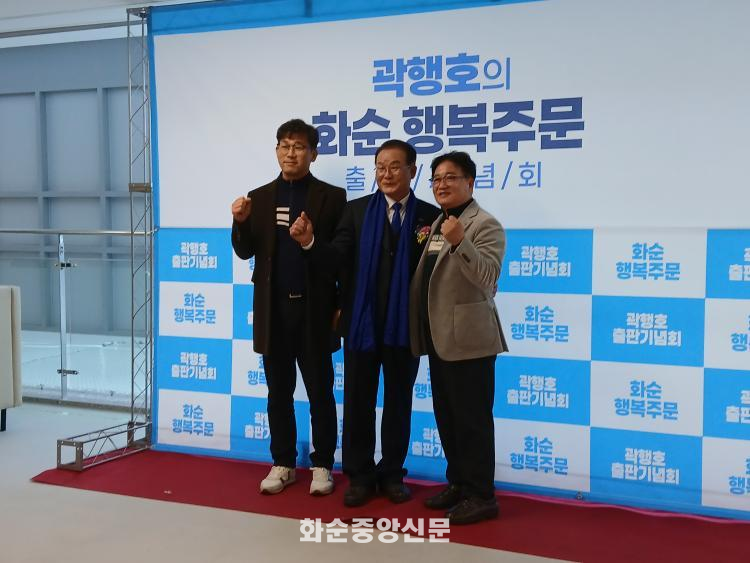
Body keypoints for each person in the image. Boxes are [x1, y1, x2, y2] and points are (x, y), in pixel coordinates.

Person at [289, 139, 440, 507]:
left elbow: (437, 272)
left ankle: (392, 474)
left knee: (399, 402)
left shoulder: (430, 216)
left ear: (412, 171)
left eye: (395, 166)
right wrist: (310, 243)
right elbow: (336, 258)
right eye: (380, 167)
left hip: (405, 327)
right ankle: (359, 475)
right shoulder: (356, 211)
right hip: (362, 323)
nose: (386, 174)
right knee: (358, 403)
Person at [230, 119, 346, 496]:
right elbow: (246, 250)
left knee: (320, 393)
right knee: (278, 393)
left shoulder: (332, 197)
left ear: (313, 153)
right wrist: (240, 223)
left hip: (315, 311)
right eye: (284, 145)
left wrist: (310, 241)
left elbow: (339, 258)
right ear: (277, 150)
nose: (290, 153)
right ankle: (283, 463)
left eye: (298, 146)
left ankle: (322, 464)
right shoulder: (259, 197)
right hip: (274, 312)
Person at [409, 151, 508, 525]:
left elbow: (488, 278)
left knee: (472, 421)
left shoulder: (485, 224)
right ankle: (460, 484)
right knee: (448, 417)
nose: (442, 184)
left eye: (451, 177)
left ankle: (482, 496)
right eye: (436, 179)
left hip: (469, 341)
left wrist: (461, 242)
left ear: (470, 182)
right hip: (440, 338)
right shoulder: (439, 222)